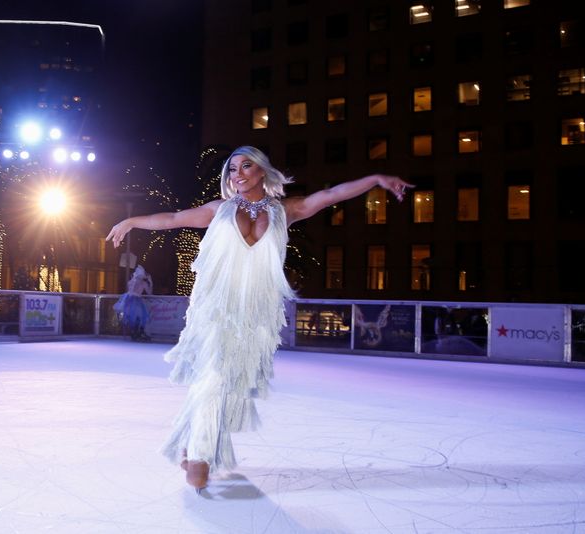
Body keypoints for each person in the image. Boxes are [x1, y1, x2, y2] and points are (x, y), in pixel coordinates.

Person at [106, 146, 413, 493]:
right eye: (232, 168)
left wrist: (375, 179)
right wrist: (131, 221)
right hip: (216, 310)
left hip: (255, 317)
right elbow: (174, 218)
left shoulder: (285, 211)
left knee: (229, 384)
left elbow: (329, 196)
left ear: (262, 172)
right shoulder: (218, 211)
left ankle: (194, 444)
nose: (237, 173)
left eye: (246, 166)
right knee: (213, 375)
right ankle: (200, 453)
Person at [114, 265, 154, 341]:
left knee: (140, 317)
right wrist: (135, 281)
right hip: (131, 299)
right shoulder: (133, 282)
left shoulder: (142, 283)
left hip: (136, 300)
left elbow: (149, 293)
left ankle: (138, 333)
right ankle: (135, 333)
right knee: (135, 317)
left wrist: (150, 282)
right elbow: (131, 290)